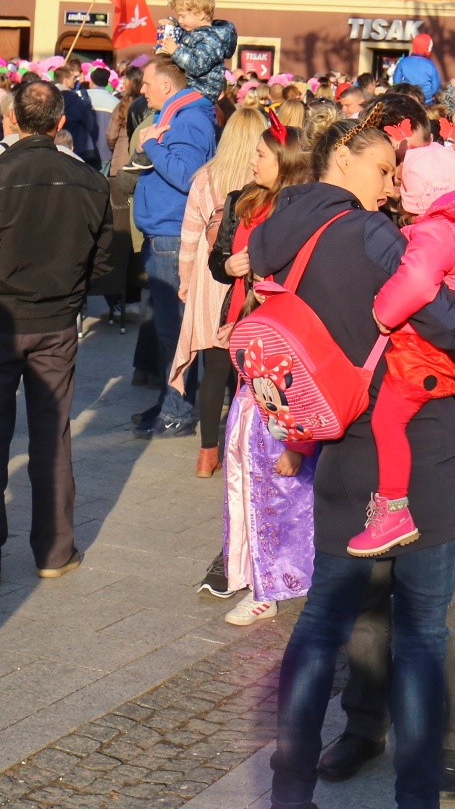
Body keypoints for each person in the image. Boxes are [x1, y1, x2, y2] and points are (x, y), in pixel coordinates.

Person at [256, 120, 455, 809]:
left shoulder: (275, 231)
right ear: (343, 157)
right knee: (422, 634)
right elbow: (453, 327)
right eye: (384, 168)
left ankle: (289, 791)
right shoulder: (367, 234)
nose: (391, 186)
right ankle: (416, 798)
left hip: (340, 447)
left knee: (321, 622)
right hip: (419, 449)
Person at [0, 80, 115, 587]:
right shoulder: (88, 181)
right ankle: (52, 549)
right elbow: (102, 262)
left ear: (11, 122)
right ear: (59, 125)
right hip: (48, 323)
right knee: (49, 439)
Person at [354, 143, 455, 555]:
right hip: (450, 348)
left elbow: (418, 281)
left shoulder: (434, 230)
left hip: (424, 351)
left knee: (386, 422)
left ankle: (393, 509)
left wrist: (384, 312)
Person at [204, 111, 316, 620]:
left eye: (261, 154)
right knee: (245, 449)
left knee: (277, 456)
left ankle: (277, 572)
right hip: (245, 331)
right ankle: (251, 563)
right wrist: (227, 266)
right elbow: (221, 259)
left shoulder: (301, 216)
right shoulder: (241, 201)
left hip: (278, 345)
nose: (251, 160)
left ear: (286, 163)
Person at [174, 107, 268, 474]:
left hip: (211, 277)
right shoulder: (264, 181)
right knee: (249, 369)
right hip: (250, 280)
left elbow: (189, 236)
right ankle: (244, 448)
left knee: (213, 367)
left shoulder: (206, 177)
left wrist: (184, 281)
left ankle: (206, 453)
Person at [132, 58, 219, 437]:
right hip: (164, 233)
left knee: (173, 331)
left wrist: (151, 144)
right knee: (166, 329)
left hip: (172, 235)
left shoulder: (188, 120)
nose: (141, 89)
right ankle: (170, 402)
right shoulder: (178, 116)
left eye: (147, 83)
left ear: (166, 87)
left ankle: (179, 412)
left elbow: (188, 176)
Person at [157, 0, 238, 102]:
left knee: (170, 107)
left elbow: (197, 65)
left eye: (183, 16)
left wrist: (175, 51)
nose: (180, 20)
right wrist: (171, 25)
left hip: (202, 93)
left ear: (200, 15)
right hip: (190, 90)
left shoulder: (211, 40)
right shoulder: (194, 32)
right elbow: (183, 34)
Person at [389, 31, 444, 95]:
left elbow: (396, 80)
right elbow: (436, 86)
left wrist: (402, 93)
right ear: (428, 47)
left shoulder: (403, 62)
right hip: (425, 100)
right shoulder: (430, 65)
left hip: (407, 97)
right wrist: (428, 95)